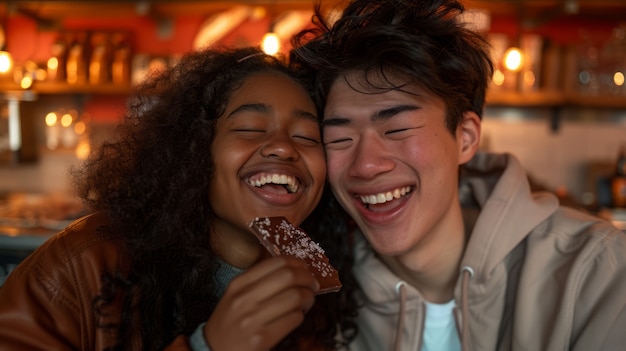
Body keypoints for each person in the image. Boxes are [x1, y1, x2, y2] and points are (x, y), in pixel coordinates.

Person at [291, 0, 626, 350]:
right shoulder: (324, 299)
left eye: (397, 129)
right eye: (339, 138)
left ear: (465, 138)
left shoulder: (592, 272)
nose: (366, 165)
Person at [0, 47, 357, 350]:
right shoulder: (78, 269)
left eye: (308, 136)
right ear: (195, 151)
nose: (283, 146)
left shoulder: (320, 285)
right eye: (249, 128)